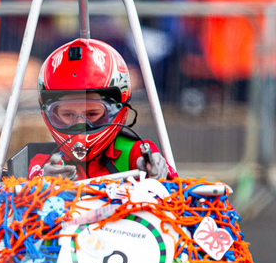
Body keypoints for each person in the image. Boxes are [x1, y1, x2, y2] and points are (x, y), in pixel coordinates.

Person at [25, 37, 174, 181]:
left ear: (117, 109)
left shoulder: (136, 152)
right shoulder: (43, 163)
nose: (80, 124)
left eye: (91, 114)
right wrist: (44, 185)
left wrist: (155, 174)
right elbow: (23, 196)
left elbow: (175, 193)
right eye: (68, 114)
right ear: (51, 114)